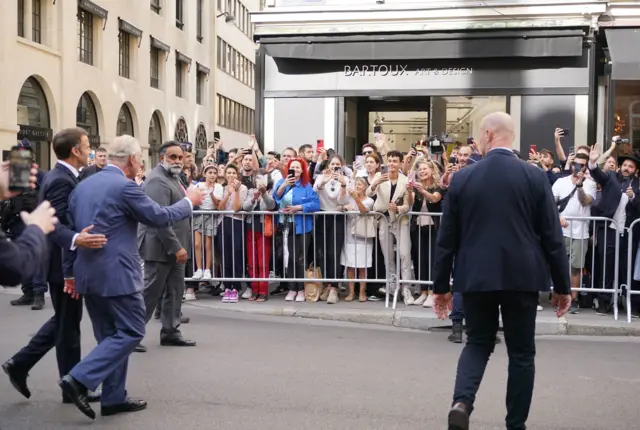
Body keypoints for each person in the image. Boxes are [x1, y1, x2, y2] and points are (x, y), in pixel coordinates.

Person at [431, 112, 572, 430]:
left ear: (488, 134)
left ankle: (462, 402)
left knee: (478, 342)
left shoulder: (464, 178)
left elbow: (446, 240)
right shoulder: (534, 177)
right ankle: (515, 424)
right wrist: (562, 287)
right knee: (522, 352)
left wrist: (440, 287)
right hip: (521, 278)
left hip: (476, 275)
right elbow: (552, 237)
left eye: (480, 134)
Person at [57, 135, 204, 420]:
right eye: (141, 159)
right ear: (134, 160)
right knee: (132, 331)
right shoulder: (124, 187)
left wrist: (70, 273)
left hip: (88, 273)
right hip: (117, 275)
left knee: (109, 338)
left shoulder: (83, 186)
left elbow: (72, 234)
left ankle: (113, 398)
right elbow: (158, 216)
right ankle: (78, 379)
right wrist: (189, 202)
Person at [3, 128, 108, 404]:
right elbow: (56, 225)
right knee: (69, 325)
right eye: (87, 146)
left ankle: (22, 364)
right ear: (75, 150)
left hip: (60, 261)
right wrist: (76, 244)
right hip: (61, 263)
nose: (90, 151)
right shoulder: (62, 180)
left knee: (64, 320)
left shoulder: (64, 176)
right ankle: (72, 385)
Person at [137, 141, 198, 353]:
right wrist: (175, 247)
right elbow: (159, 218)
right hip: (161, 247)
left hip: (176, 246)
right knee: (150, 293)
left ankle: (171, 331)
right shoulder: (156, 180)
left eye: (180, 157)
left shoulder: (174, 177)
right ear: (162, 157)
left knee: (175, 290)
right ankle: (130, 334)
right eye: (173, 157)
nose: (178, 161)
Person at [0, 161, 55, 287]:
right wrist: (37, 228)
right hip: (20, 220)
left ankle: (37, 292)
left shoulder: (43, 176)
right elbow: (13, 267)